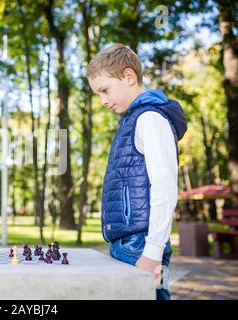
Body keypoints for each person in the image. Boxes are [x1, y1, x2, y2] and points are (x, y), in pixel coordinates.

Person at [86, 44, 187, 300]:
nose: (103, 100)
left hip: (141, 245)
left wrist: (152, 252)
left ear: (129, 77)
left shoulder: (149, 120)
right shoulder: (132, 121)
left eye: (105, 90)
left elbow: (164, 185)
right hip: (126, 243)